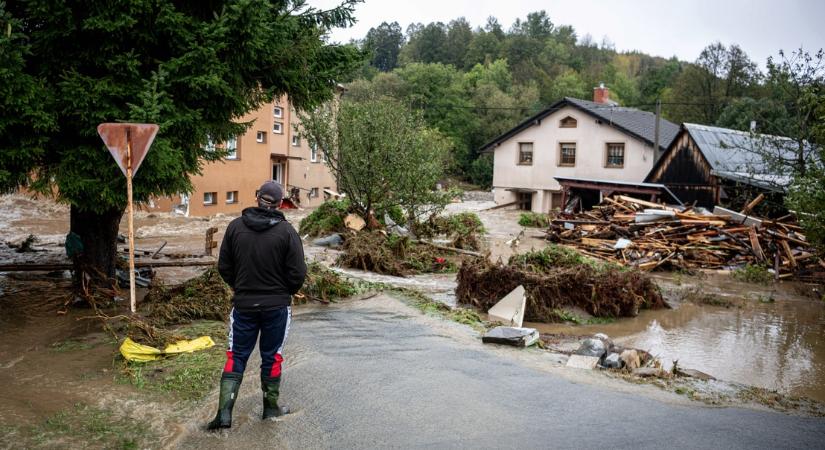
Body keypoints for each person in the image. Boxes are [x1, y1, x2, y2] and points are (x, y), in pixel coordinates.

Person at [207, 181, 307, 430]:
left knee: (236, 355)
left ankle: (224, 415)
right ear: (280, 203)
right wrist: (286, 292)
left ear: (256, 198)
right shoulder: (287, 232)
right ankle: (270, 409)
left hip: (243, 305)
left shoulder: (235, 227)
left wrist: (239, 287)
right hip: (276, 307)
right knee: (272, 357)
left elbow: (224, 267)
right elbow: (297, 273)